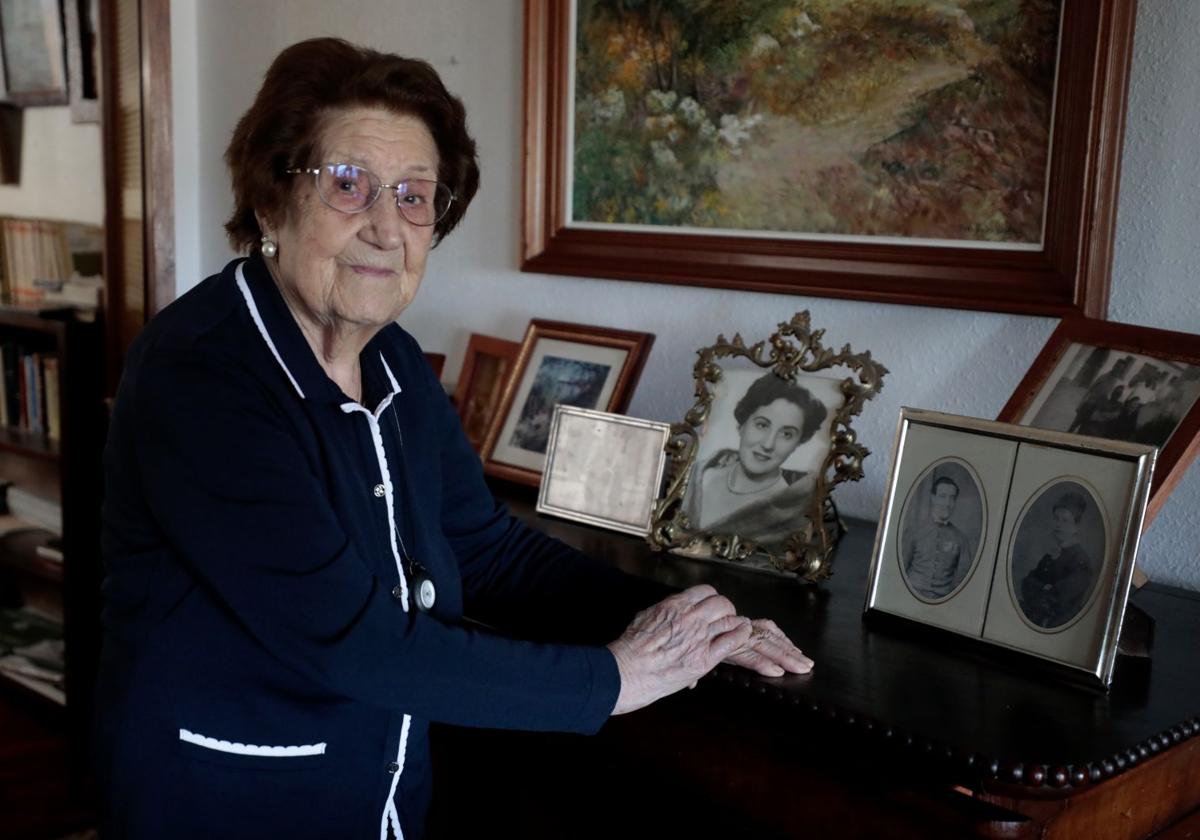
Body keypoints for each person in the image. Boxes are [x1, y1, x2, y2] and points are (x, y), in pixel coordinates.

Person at [92, 39, 812, 840]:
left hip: (382, 796)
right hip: (226, 802)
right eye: (347, 185)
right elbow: (352, 643)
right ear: (271, 201)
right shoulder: (202, 376)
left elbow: (484, 548)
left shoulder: (390, 356)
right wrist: (614, 678)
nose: (383, 227)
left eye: (412, 195)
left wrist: (688, 621)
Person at [684, 372, 827, 546]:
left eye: (787, 434)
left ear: (798, 443)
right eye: (762, 425)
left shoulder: (793, 510)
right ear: (742, 425)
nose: (768, 444)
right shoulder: (698, 475)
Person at [1018, 491, 1097, 628]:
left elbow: (1057, 599)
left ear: (1077, 526)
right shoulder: (1051, 555)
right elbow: (1026, 583)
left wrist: (1041, 589)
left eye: (1065, 520)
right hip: (1037, 619)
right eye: (1056, 518)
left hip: (1058, 625)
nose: (1058, 525)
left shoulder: (1081, 561)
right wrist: (1044, 588)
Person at [900, 475, 974, 600]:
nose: (947, 503)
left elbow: (964, 576)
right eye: (942, 496)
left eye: (952, 498)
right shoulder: (914, 531)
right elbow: (900, 566)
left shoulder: (961, 539)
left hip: (942, 600)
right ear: (933, 498)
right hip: (909, 594)